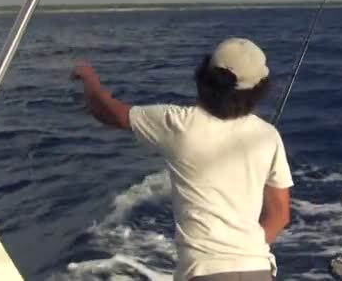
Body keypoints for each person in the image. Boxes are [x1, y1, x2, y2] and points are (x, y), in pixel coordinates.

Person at [72, 37, 294, 281]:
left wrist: (88, 78)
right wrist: (242, 255)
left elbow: (109, 112)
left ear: (205, 76)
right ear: (258, 88)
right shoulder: (268, 136)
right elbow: (280, 214)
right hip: (259, 271)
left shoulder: (179, 124)